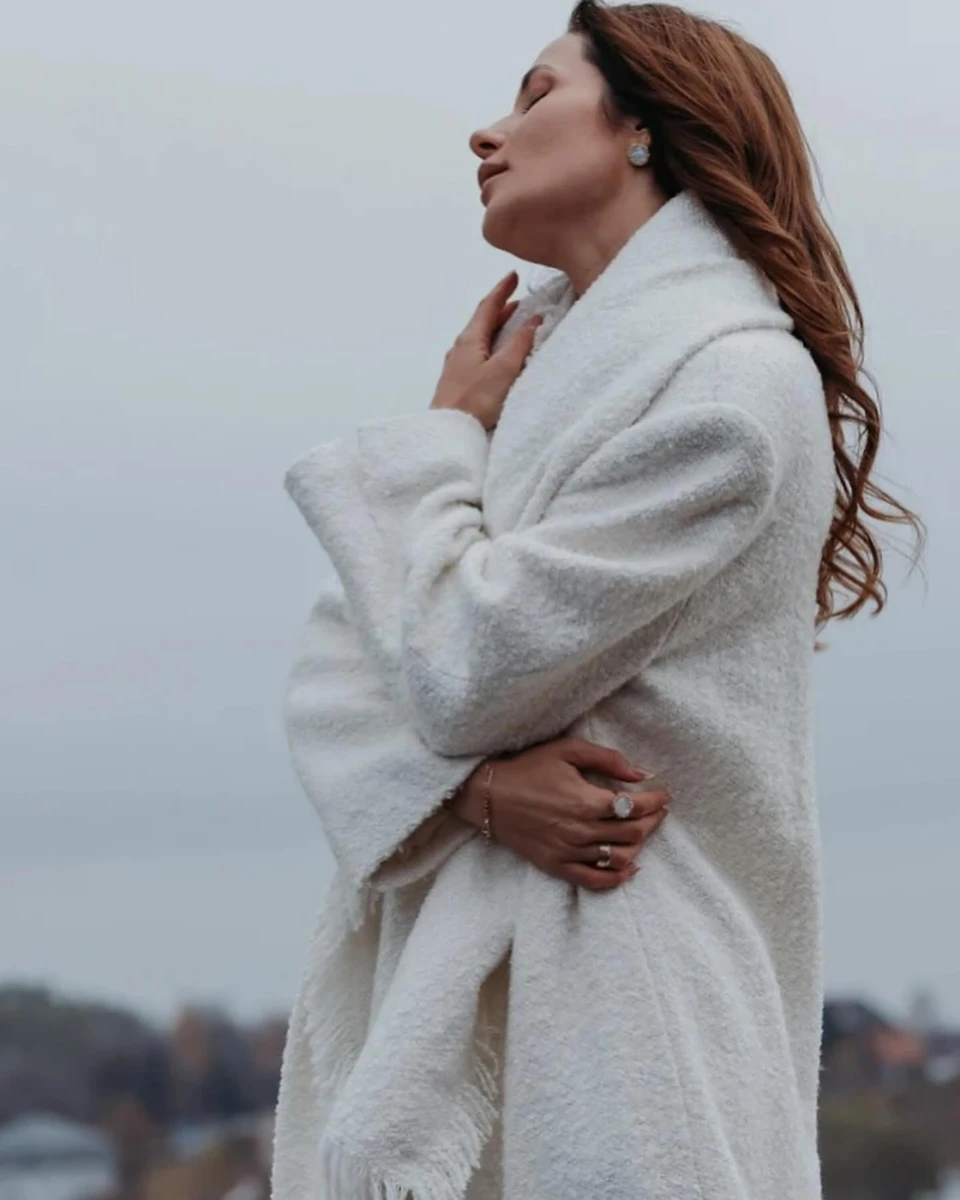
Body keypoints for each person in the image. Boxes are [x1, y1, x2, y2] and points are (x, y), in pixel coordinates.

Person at [270, 4, 925, 1199]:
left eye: (535, 95)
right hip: (496, 993)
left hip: (630, 1012)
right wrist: (474, 799)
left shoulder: (730, 393)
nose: (486, 133)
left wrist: (438, 446)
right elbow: (336, 675)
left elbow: (458, 666)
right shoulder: (530, 387)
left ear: (644, 128)